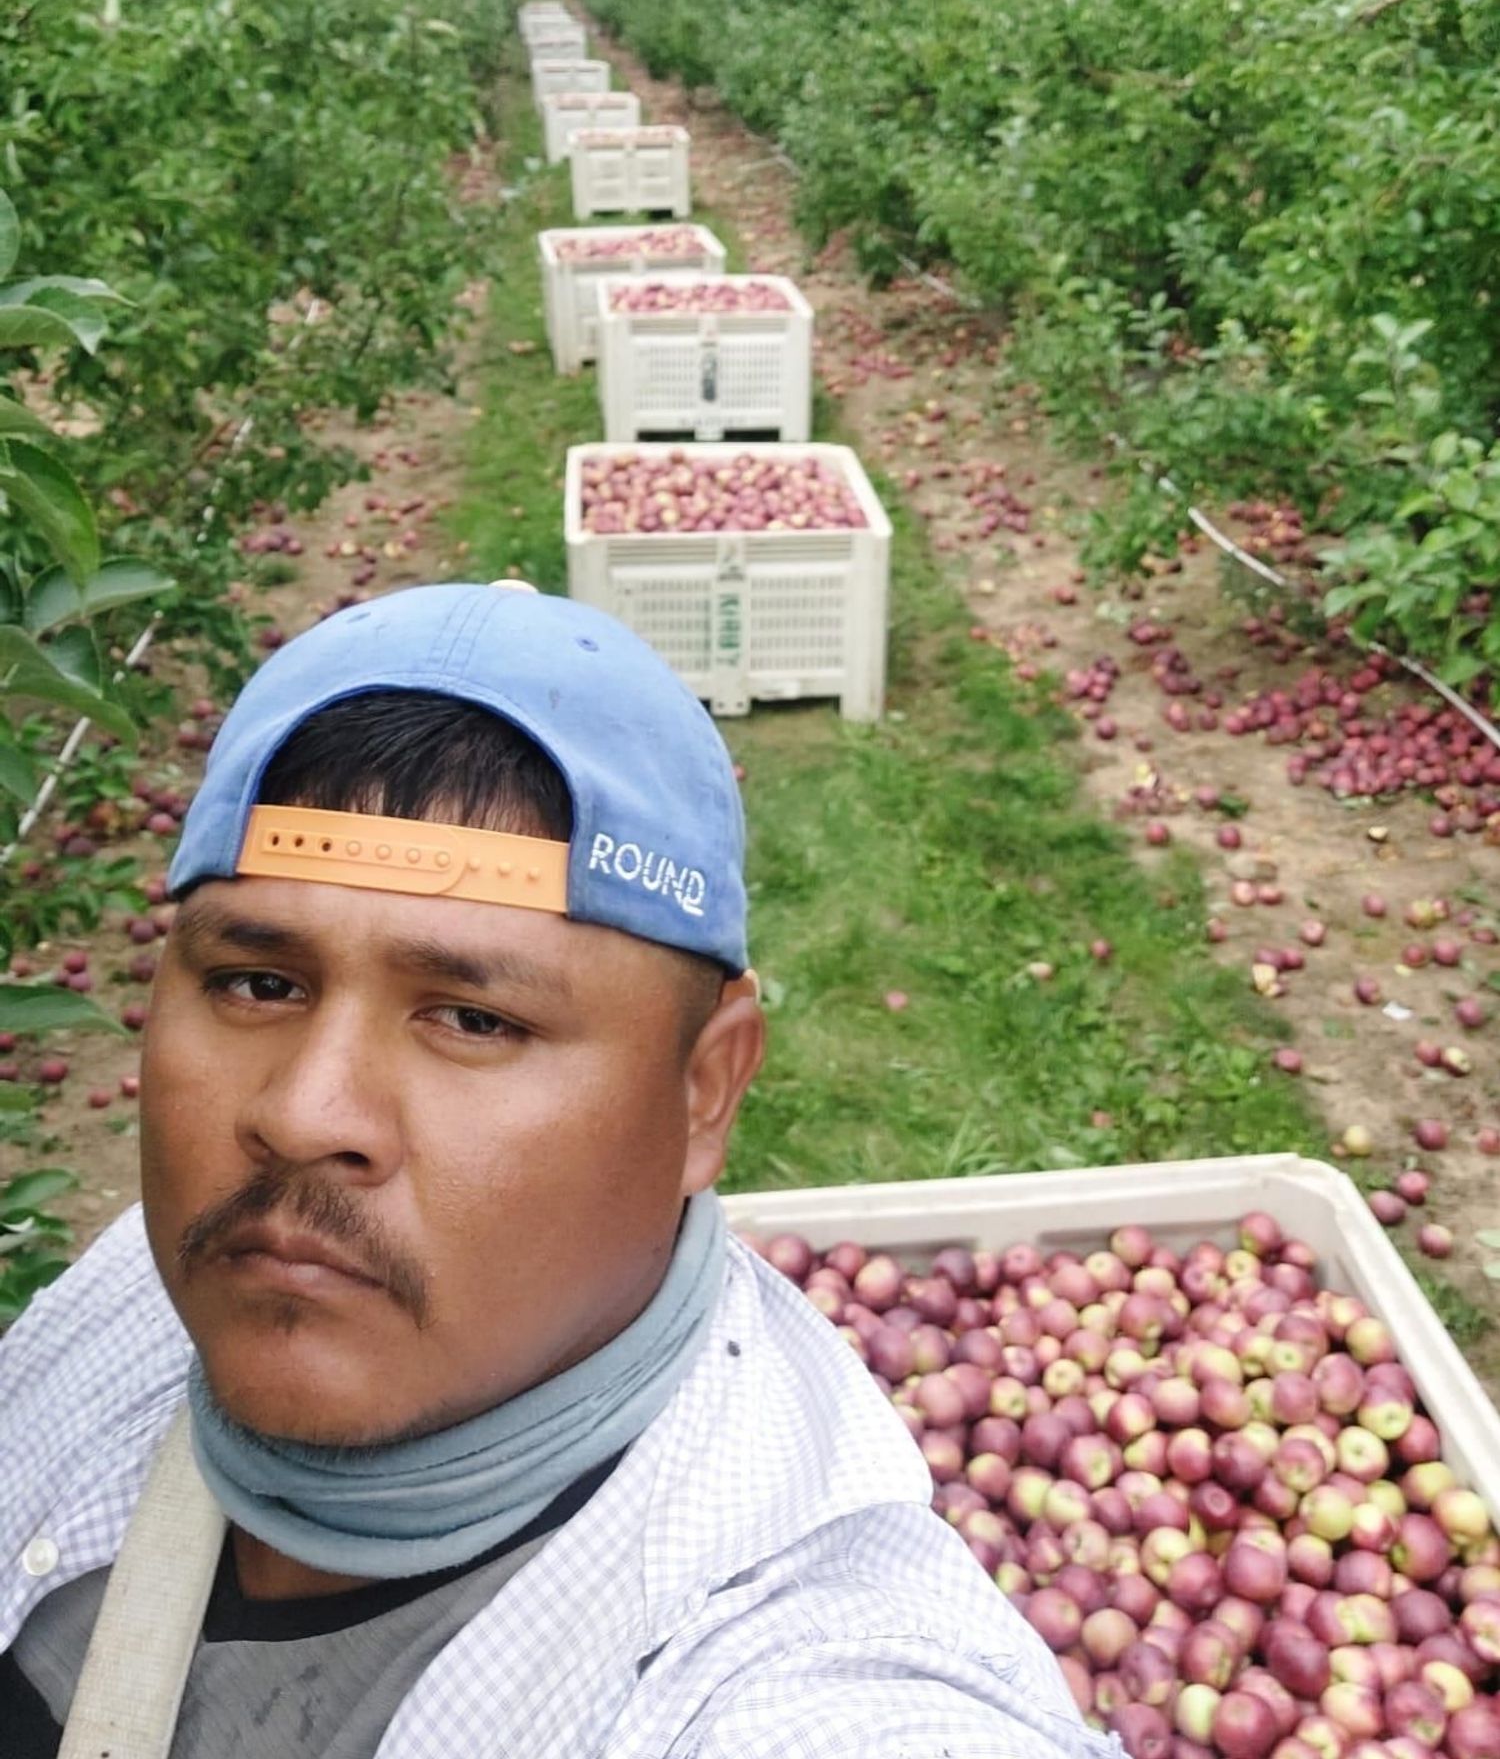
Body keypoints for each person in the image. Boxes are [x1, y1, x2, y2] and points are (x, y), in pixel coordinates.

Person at [0, 581, 1112, 1758]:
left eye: (473, 1018)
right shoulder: (138, 1284)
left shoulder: (789, 1665)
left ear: (703, 1091)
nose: (302, 1111)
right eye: (257, 982)